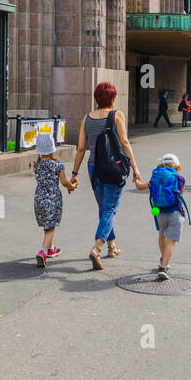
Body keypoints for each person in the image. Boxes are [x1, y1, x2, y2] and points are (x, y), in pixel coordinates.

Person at [72, 81, 142, 270]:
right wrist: (135, 168)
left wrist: (74, 173)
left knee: (104, 208)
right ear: (112, 98)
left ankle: (112, 247)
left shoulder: (86, 118)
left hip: (93, 167)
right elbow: (125, 143)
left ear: (96, 98)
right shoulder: (117, 115)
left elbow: (80, 148)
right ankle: (97, 247)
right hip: (113, 167)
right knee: (110, 208)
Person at [138, 153, 188, 281]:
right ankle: (163, 267)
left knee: (162, 236)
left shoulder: (154, 178)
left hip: (160, 212)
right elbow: (180, 194)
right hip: (175, 213)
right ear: (176, 166)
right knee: (170, 241)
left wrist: (137, 180)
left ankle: (163, 259)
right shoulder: (179, 178)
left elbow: (140, 187)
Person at [33, 132, 77, 267]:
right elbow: (64, 182)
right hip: (53, 198)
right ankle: (43, 252)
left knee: (47, 223)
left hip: (39, 197)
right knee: (51, 226)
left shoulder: (36, 164)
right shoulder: (58, 165)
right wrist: (72, 186)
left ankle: (51, 249)